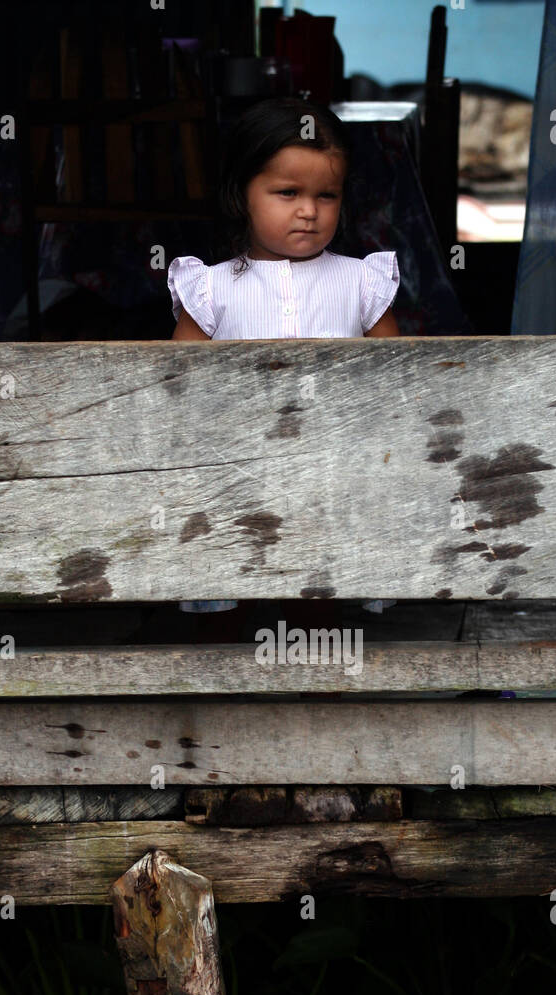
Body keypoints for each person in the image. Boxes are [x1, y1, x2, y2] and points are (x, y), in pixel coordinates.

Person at [168, 97, 399, 614]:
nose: (309, 211)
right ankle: (232, 669)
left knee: (325, 588)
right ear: (240, 194)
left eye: (327, 195)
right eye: (287, 192)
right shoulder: (209, 287)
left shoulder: (363, 281)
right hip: (239, 464)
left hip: (338, 465)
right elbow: (178, 386)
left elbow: (395, 377)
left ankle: (326, 677)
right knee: (237, 577)